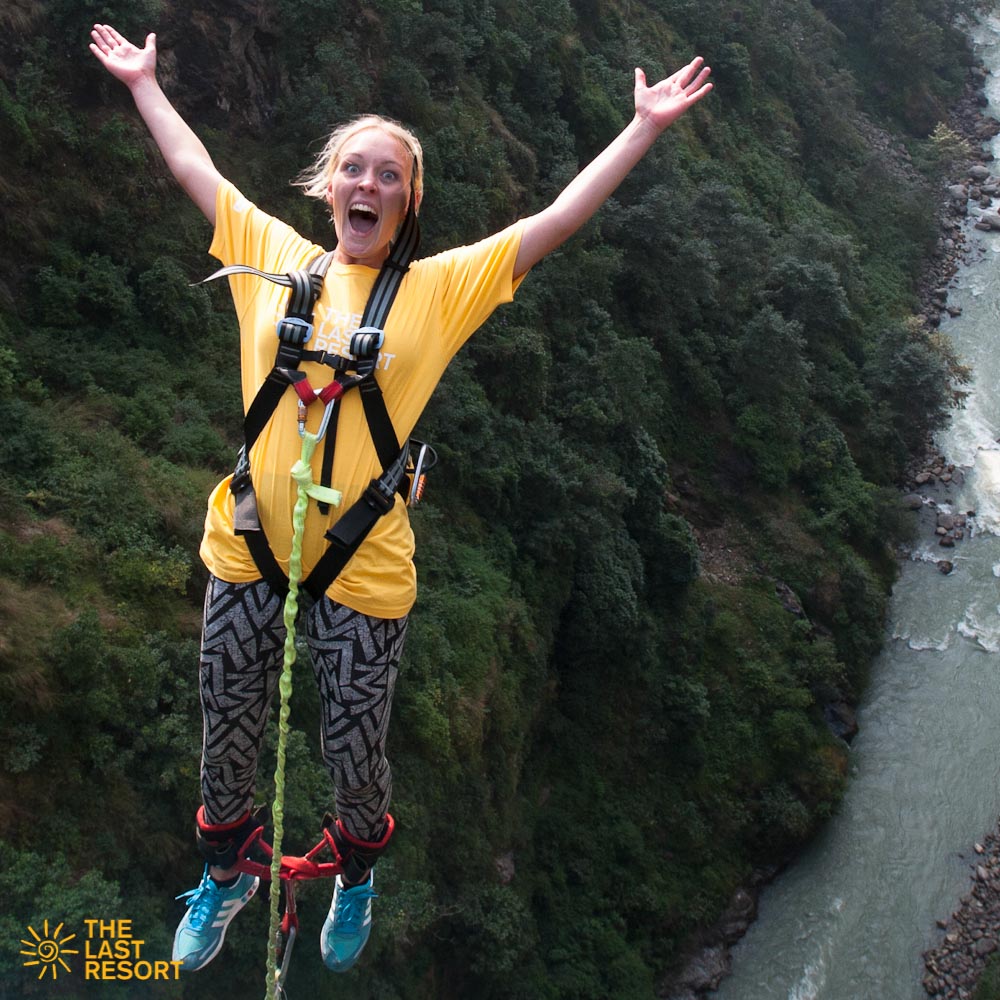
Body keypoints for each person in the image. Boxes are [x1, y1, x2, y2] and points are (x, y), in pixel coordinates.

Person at [88, 21, 712, 976]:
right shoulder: (272, 258)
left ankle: (358, 871)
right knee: (226, 721)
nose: (367, 186)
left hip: (363, 563)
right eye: (353, 171)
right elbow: (192, 166)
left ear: (408, 201)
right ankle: (227, 873)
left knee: (353, 747)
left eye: (387, 175)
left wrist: (643, 129)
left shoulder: (439, 289)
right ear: (327, 188)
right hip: (249, 543)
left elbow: (553, 221)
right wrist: (143, 82)